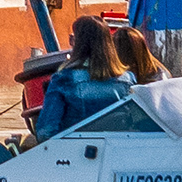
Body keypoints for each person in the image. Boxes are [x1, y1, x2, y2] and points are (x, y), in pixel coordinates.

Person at [27, 13, 135, 142]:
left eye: (73, 39)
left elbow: (46, 131)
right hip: (118, 150)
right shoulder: (128, 80)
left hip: (76, 152)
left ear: (79, 44)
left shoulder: (64, 80)